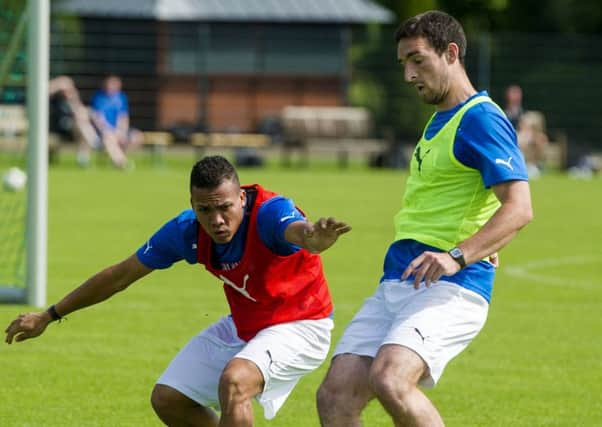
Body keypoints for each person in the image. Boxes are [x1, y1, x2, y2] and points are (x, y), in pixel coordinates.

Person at [5, 155, 351, 426]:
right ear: (192, 203)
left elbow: (298, 231)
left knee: (236, 380)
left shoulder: (268, 212)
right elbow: (119, 276)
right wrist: (49, 315)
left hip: (303, 324)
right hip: (247, 325)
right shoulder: (187, 231)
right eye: (205, 209)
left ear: (241, 198)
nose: (216, 219)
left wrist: (313, 238)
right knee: (169, 398)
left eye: (225, 207)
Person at [317, 10, 533, 427]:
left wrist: (459, 254)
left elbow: (520, 206)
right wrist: (479, 242)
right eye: (403, 64)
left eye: (417, 60)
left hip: (450, 285)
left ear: (450, 53)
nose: (409, 74)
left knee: (391, 378)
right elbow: (463, 201)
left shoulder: (481, 118)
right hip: (400, 278)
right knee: (335, 395)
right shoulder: (439, 120)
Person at [90, 74, 143, 168]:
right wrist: (108, 130)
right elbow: (98, 118)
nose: (112, 87)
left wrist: (121, 131)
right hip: (103, 131)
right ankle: (122, 163)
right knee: (109, 137)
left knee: (137, 136)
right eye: (110, 84)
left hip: (118, 130)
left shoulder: (121, 97)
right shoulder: (98, 97)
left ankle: (117, 159)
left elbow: (123, 116)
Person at [48, 76, 100, 166]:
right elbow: (46, 90)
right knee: (81, 125)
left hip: (76, 129)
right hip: (62, 127)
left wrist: (74, 101)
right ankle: (94, 140)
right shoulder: (56, 100)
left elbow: (80, 112)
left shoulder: (74, 100)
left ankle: (83, 158)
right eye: (66, 88)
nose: (68, 90)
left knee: (83, 121)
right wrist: (59, 84)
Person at [516, 110, 550, 178]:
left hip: (533, 166)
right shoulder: (517, 135)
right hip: (519, 165)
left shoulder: (539, 138)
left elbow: (542, 155)